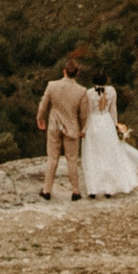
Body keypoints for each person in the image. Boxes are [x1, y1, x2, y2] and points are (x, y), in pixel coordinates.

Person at [37, 57, 91, 201]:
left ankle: (47, 190)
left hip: (54, 125)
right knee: (72, 159)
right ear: (77, 73)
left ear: (64, 71)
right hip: (72, 127)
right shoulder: (81, 91)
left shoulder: (52, 85)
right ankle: (75, 191)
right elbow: (84, 114)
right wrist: (83, 129)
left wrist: (40, 119)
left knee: (52, 158)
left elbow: (43, 104)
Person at [80, 76, 138, 197]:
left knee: (94, 155)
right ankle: (109, 188)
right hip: (107, 122)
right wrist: (115, 125)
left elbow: (88, 113)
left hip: (94, 124)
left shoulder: (89, 93)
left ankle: (93, 189)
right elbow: (113, 110)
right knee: (109, 153)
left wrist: (84, 129)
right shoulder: (112, 91)